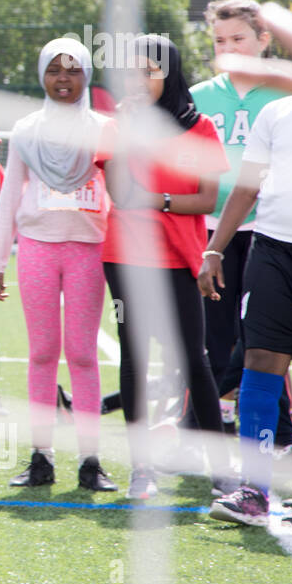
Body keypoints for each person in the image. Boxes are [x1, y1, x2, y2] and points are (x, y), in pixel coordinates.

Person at [201, 6, 292, 526]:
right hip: (270, 249)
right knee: (260, 362)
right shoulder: (277, 114)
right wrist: (214, 249)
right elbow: (247, 186)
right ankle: (253, 490)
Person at [100, 35, 231, 500]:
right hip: (124, 259)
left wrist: (158, 201)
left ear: (169, 73)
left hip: (179, 259)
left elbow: (207, 199)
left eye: (148, 71)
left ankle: (221, 473)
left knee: (193, 358)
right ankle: (142, 470)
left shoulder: (199, 130)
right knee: (134, 357)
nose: (138, 80)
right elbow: (118, 192)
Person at [0, 39, 116, 490]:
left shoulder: (104, 130)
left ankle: (90, 461)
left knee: (82, 354)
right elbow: (11, 193)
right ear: (42, 74)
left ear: (87, 75)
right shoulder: (26, 129)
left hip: (88, 249)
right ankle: (40, 458)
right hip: (39, 248)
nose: (64, 79)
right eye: (55, 70)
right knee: (42, 353)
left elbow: (120, 196)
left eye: (74, 70)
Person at [190, 0, 292, 448]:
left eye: (238, 38)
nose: (229, 47)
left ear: (263, 40)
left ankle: (279, 424)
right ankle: (215, 422)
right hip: (211, 229)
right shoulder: (199, 97)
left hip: (269, 230)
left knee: (261, 333)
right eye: (219, 40)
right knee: (216, 332)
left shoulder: (287, 95)